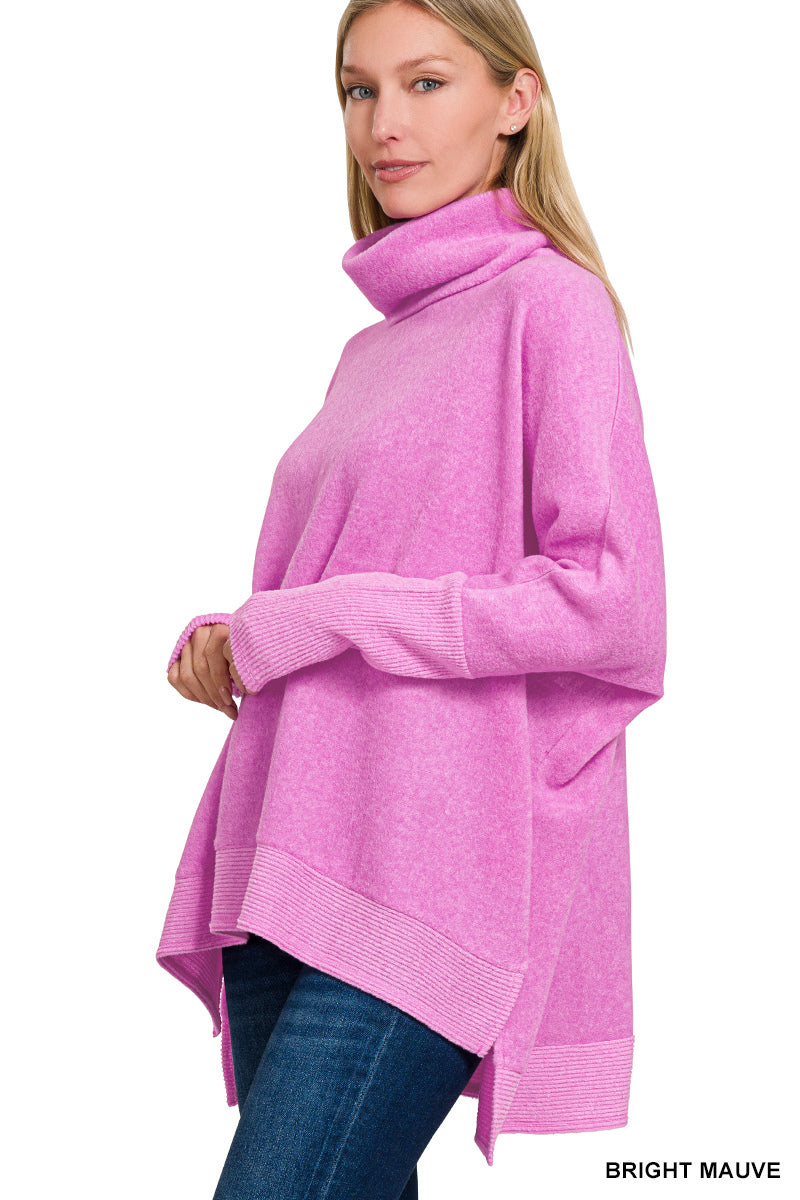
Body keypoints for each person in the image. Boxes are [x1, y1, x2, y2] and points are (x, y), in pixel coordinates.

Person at [158, 1, 667, 1196]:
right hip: (291, 850)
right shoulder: (371, 350)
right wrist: (235, 637)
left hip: (426, 887)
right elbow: (333, 587)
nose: (383, 124)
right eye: (358, 89)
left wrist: (326, 617)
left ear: (514, 102)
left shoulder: (551, 305)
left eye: (426, 83)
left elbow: (612, 607)